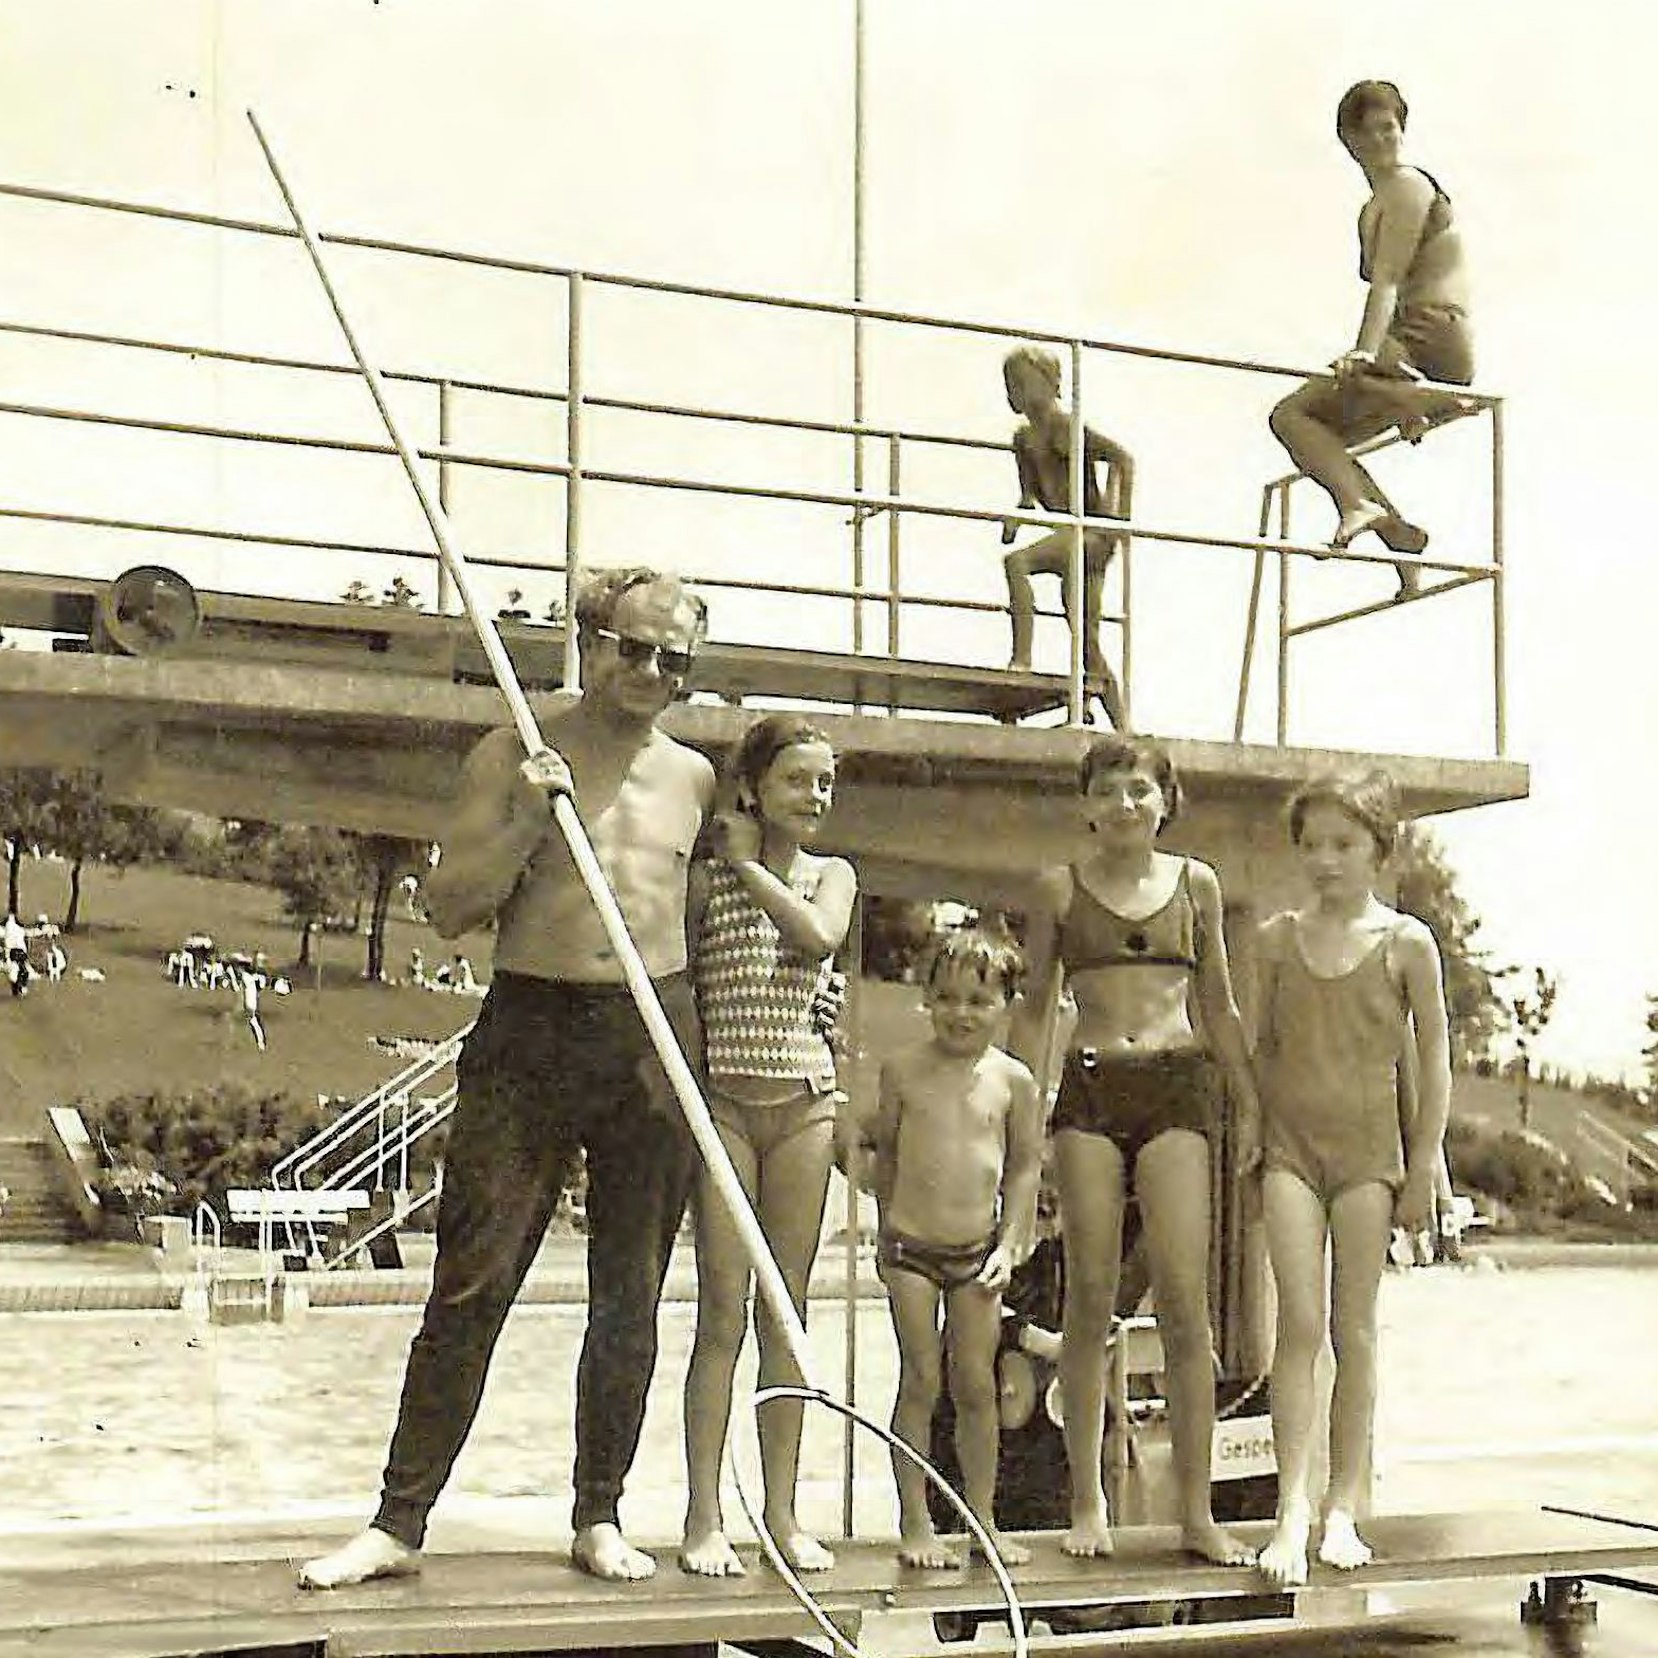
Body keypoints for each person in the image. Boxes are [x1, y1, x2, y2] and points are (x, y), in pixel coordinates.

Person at [298, 566, 715, 1591]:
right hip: (530, 1022)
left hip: (649, 1034)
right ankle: (397, 1521)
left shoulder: (694, 777)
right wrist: (529, 819)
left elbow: (698, 923)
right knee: (472, 1282)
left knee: (630, 1295)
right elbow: (448, 906)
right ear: (590, 640)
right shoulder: (511, 752)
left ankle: (599, 1510)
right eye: (632, 646)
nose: (649, 669)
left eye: (674, 658)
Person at [1010, 734, 1259, 1567]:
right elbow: (1036, 1009)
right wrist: (1019, 1108)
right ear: (1087, 805)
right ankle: (1086, 1503)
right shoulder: (1057, 888)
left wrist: (1250, 1101)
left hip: (1178, 1087)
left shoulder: (1197, 884)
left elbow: (1218, 1004)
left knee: (1186, 1302)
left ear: (1165, 803)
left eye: (1141, 791)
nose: (1125, 804)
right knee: (1088, 1298)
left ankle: (1197, 1512)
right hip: (1089, 1090)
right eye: (1110, 790)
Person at [1253, 770, 1451, 1588]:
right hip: (1291, 1151)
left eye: (1344, 844)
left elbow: (1435, 1056)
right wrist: (1262, 1135)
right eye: (1312, 845)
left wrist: (1426, 1159)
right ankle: (1288, 1511)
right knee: (1296, 1323)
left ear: (1378, 847)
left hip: (1371, 1155)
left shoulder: (1407, 943)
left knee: (1353, 1329)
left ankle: (1343, 1506)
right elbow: (1261, 1048)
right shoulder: (1273, 938)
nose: (1326, 861)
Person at [679, 713, 857, 1578]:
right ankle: (703, 1513)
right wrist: (736, 866)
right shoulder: (706, 881)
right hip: (725, 1107)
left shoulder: (832, 876)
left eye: (825, 782)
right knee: (721, 1309)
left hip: (804, 1106)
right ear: (752, 787)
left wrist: (752, 864)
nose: (815, 796)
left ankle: (782, 1514)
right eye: (797, 780)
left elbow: (819, 940)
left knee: (786, 1313)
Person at [867, 925, 1044, 1570]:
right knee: (921, 1379)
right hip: (911, 1248)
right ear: (926, 1000)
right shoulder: (903, 1072)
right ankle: (915, 1521)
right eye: (945, 998)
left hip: (978, 1254)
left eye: (977, 1000)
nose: (959, 1014)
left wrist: (1013, 1238)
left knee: (976, 1385)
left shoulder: (1013, 1081)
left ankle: (982, 1520)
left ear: (1005, 1005)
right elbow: (887, 1152)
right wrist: (884, 1230)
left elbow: (1024, 1166)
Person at [1268, 81, 1476, 599]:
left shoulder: (1407, 186)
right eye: (1375, 130)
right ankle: (1396, 536)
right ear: (1351, 140)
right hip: (1408, 341)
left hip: (1431, 331)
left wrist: (1364, 353)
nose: (1388, 139)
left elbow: (1388, 281)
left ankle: (1407, 397)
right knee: (1316, 436)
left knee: (1289, 416)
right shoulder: (1373, 207)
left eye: (1393, 128)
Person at [999, 345, 1133, 730]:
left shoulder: (1066, 427)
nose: (1019, 392)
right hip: (1069, 535)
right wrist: (1015, 518)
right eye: (1012, 385)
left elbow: (1123, 459)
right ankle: (1123, 727)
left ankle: (1021, 657)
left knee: (1017, 563)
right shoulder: (1024, 439)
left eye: (1025, 382)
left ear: (1049, 382)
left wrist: (1116, 518)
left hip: (1090, 533)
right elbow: (1028, 495)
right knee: (1086, 636)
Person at [4, 912, 30, 998]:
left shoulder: (11, 928)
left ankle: (18, 988)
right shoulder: (18, 929)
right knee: (21, 970)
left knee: (18, 970)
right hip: (17, 951)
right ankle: (20, 988)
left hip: (14, 951)